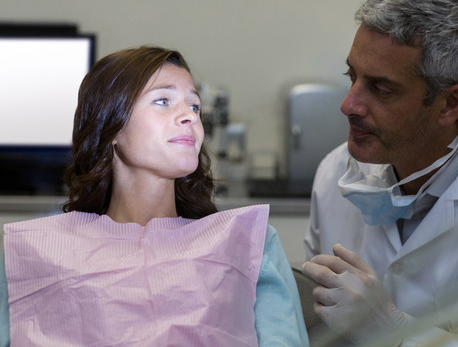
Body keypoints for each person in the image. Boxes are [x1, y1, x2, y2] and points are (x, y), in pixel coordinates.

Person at [0, 46, 308, 346]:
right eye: (163, 100)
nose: (189, 115)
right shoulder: (32, 250)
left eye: (195, 106)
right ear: (111, 127)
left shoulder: (249, 241)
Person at [302, 0, 458, 345]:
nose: (349, 105)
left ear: (449, 103)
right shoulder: (336, 173)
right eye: (352, 76)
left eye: (381, 89)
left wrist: (397, 332)